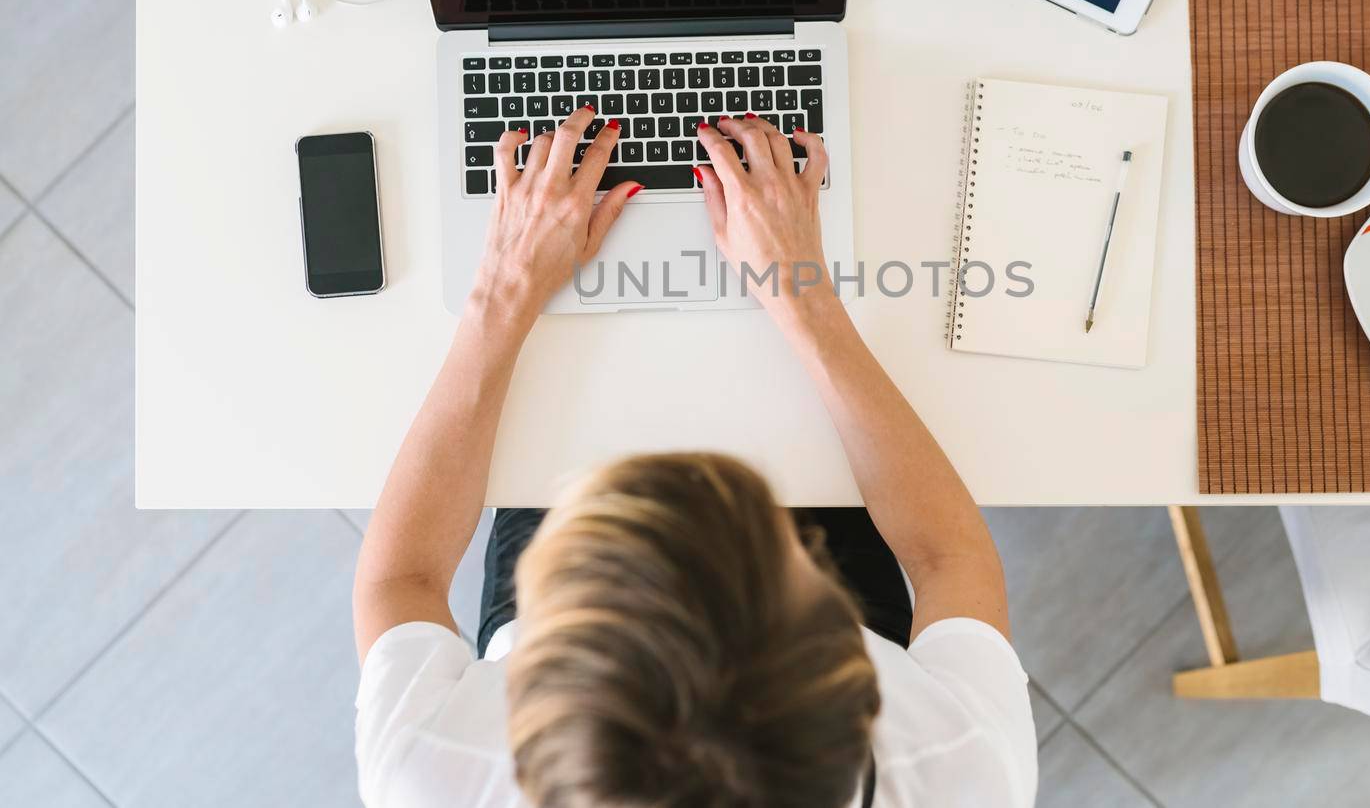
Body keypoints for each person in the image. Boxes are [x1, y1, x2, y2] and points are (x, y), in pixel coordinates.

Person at [352, 108, 1038, 807]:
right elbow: (948, 558)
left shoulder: (433, 775)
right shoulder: (961, 770)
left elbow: (403, 579)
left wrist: (502, 293)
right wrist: (803, 293)